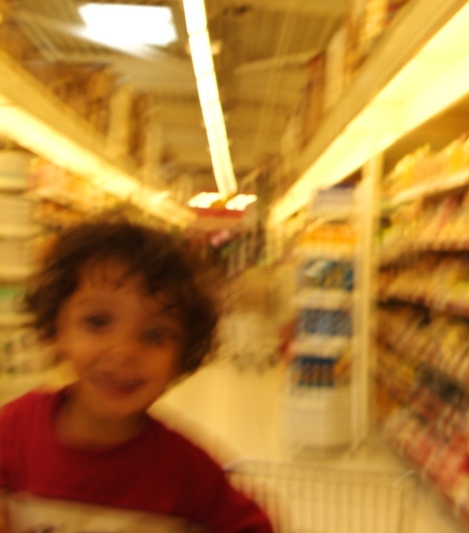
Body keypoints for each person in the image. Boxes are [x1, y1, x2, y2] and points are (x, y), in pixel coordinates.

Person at [0, 219, 273, 533]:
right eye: (98, 322)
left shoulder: (187, 472)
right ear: (56, 329)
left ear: (181, 356)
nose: (124, 351)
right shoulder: (14, 430)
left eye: (155, 335)